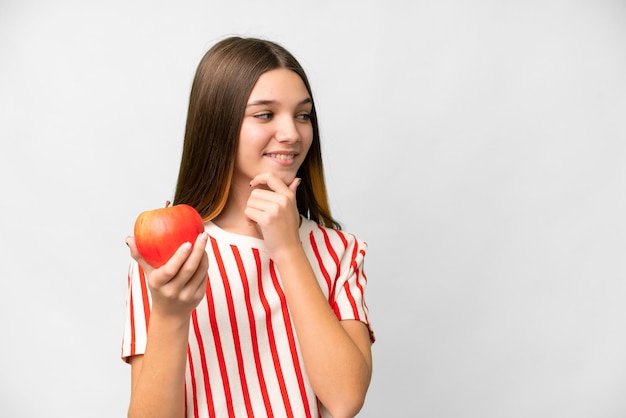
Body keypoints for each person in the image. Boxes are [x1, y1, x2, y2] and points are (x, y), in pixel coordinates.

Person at [121, 36, 374, 418]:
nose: (292, 133)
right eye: (265, 114)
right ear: (218, 124)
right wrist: (171, 314)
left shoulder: (339, 251)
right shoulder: (173, 256)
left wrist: (288, 249)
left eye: (302, 115)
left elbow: (344, 400)